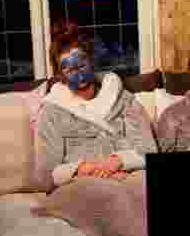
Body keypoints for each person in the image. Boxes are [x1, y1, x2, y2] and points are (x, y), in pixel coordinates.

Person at [34, 22, 157, 192]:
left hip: (128, 179)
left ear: (92, 62)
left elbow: (149, 151)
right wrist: (83, 169)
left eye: (82, 65)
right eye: (70, 70)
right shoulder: (51, 112)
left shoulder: (123, 100)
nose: (80, 76)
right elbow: (45, 175)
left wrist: (119, 161)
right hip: (80, 187)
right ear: (60, 76)